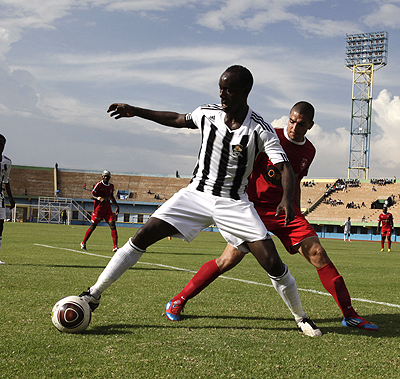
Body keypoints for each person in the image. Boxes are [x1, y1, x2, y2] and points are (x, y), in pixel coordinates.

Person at [79, 65, 322, 336]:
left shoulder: (259, 129)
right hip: (196, 194)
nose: (222, 94)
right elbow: (176, 119)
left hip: (234, 202)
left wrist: (287, 199)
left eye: (228, 89)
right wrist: (136, 110)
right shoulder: (208, 113)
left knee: (272, 262)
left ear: (244, 92)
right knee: (143, 235)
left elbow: (285, 166)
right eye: (220, 88)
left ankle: (301, 318)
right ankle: (93, 294)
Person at [164, 101, 378, 331]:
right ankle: (178, 300)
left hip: (284, 210)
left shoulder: (309, 150)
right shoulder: (269, 135)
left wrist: (294, 208)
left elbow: (295, 180)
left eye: (301, 124)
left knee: (318, 253)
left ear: (311, 125)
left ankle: (350, 315)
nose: (294, 127)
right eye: (292, 121)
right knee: (228, 259)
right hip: (252, 209)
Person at [80, 170, 119, 252]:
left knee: (112, 224)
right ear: (102, 176)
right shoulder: (99, 185)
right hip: (99, 209)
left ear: (109, 177)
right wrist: (99, 198)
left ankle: (115, 247)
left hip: (107, 209)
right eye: (104, 176)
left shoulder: (111, 186)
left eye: (107, 176)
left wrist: (117, 206)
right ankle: (83, 242)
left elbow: (111, 197)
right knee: (93, 226)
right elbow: (91, 195)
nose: (106, 177)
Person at [0, 134, 15, 264]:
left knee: (0, 226)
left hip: (0, 197)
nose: (1, 147)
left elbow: (6, 180)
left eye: (2, 144)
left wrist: (11, 198)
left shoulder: (7, 162)